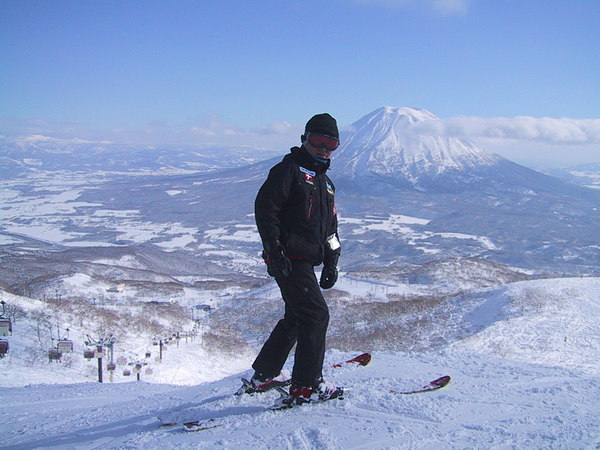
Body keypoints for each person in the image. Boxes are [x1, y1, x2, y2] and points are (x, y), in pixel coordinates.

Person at [247, 113, 343, 406]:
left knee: (297, 316)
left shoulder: (325, 184)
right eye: (317, 140)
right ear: (304, 139)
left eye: (331, 143)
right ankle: (306, 386)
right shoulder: (288, 170)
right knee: (315, 315)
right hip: (289, 259)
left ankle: (265, 374)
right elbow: (266, 210)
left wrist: (331, 261)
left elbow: (331, 229)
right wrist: (273, 250)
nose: (323, 148)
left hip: (307, 260)